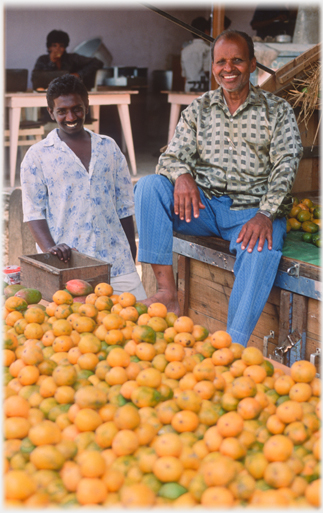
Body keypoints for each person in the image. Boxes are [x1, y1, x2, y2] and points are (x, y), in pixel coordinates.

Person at [134, 30, 303, 347]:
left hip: (252, 213)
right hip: (204, 208)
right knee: (148, 187)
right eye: (221, 61)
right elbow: (170, 157)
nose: (229, 68)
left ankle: (232, 346)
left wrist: (265, 213)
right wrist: (183, 175)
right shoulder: (200, 108)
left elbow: (286, 165)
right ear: (213, 67)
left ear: (252, 64)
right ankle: (166, 293)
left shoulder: (277, 111)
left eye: (237, 60)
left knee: (261, 251)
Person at [21, 74, 146, 300]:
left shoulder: (109, 148)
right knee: (78, 330)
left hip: (117, 264)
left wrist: (130, 252)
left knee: (135, 322)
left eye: (77, 108)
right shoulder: (37, 155)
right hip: (68, 265)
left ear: (86, 107)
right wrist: (51, 248)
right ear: (51, 112)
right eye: (62, 111)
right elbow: (33, 212)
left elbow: (125, 207)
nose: (71, 116)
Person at [31, 30, 104, 91]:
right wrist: (52, 62)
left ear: (65, 47)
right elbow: (36, 79)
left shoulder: (72, 58)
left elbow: (97, 62)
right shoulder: (42, 60)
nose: (58, 49)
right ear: (49, 47)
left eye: (61, 46)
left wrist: (79, 74)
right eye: (54, 46)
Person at [180, 17, 211, 92]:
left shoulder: (184, 50)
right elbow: (207, 71)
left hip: (188, 88)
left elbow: (184, 75)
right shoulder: (207, 49)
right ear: (206, 31)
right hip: (203, 88)